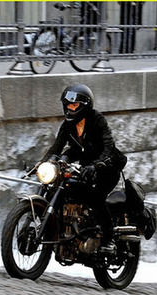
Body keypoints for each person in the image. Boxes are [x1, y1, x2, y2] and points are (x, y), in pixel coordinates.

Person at [40, 83, 127, 252]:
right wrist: (43, 163)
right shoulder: (67, 125)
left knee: (96, 199)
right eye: (68, 105)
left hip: (107, 167)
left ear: (85, 106)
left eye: (75, 105)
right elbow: (56, 148)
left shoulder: (97, 120)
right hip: (87, 166)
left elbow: (109, 146)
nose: (70, 109)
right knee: (61, 188)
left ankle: (108, 239)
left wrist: (97, 165)